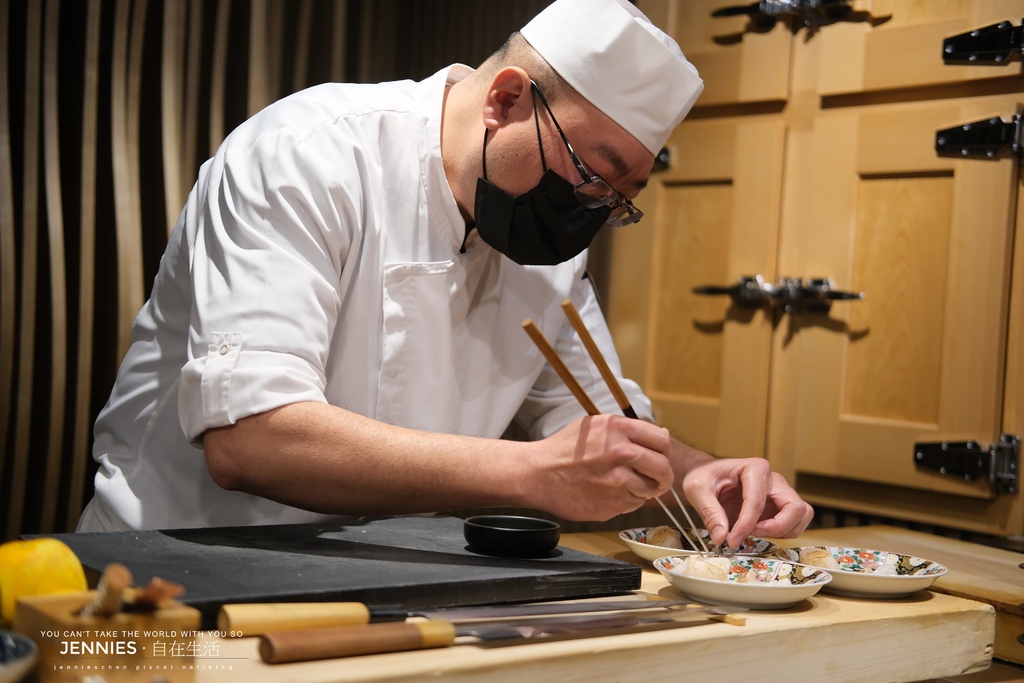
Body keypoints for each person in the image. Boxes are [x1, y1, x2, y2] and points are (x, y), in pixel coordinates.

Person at [77, 0, 814, 546]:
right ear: (506, 99)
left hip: (385, 581)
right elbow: (252, 438)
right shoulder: (309, 155)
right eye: (592, 174)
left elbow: (594, 425)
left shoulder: (548, 243)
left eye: (617, 200)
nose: (590, 212)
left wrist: (694, 470)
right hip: (174, 569)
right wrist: (530, 473)